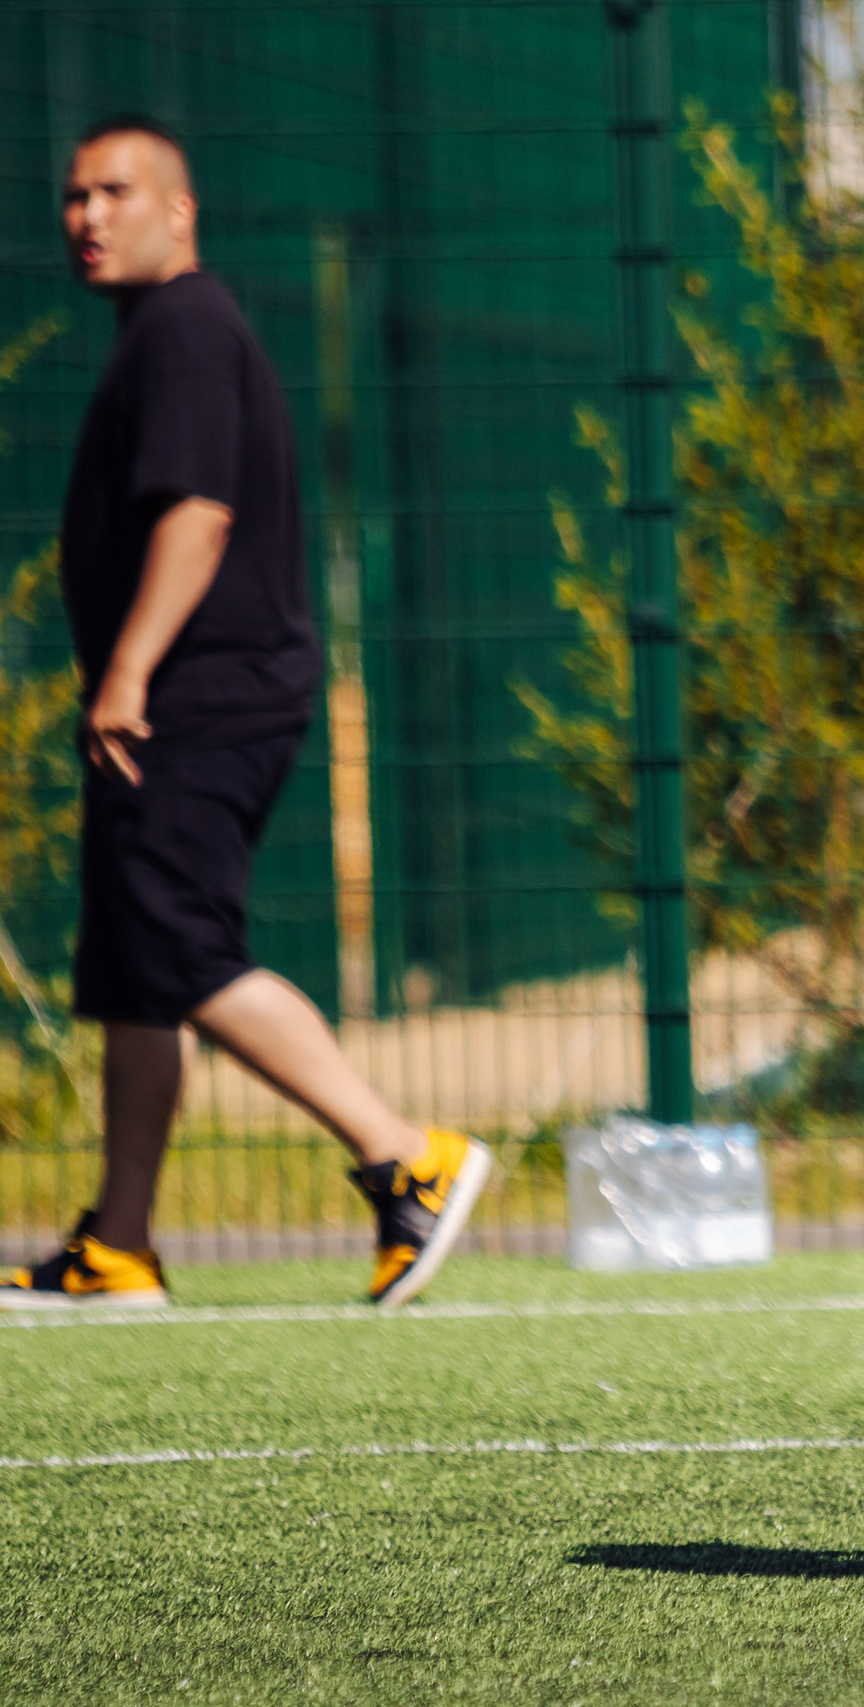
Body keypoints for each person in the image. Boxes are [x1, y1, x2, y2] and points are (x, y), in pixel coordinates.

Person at [1, 118, 490, 1313]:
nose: (86, 216)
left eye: (115, 192)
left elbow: (199, 515)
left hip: (198, 694)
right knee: (133, 965)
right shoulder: (160, 332)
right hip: (177, 697)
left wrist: (127, 673)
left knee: (179, 944)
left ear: (181, 211)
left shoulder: (184, 328)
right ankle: (119, 1247)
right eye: (73, 196)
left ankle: (405, 1156)